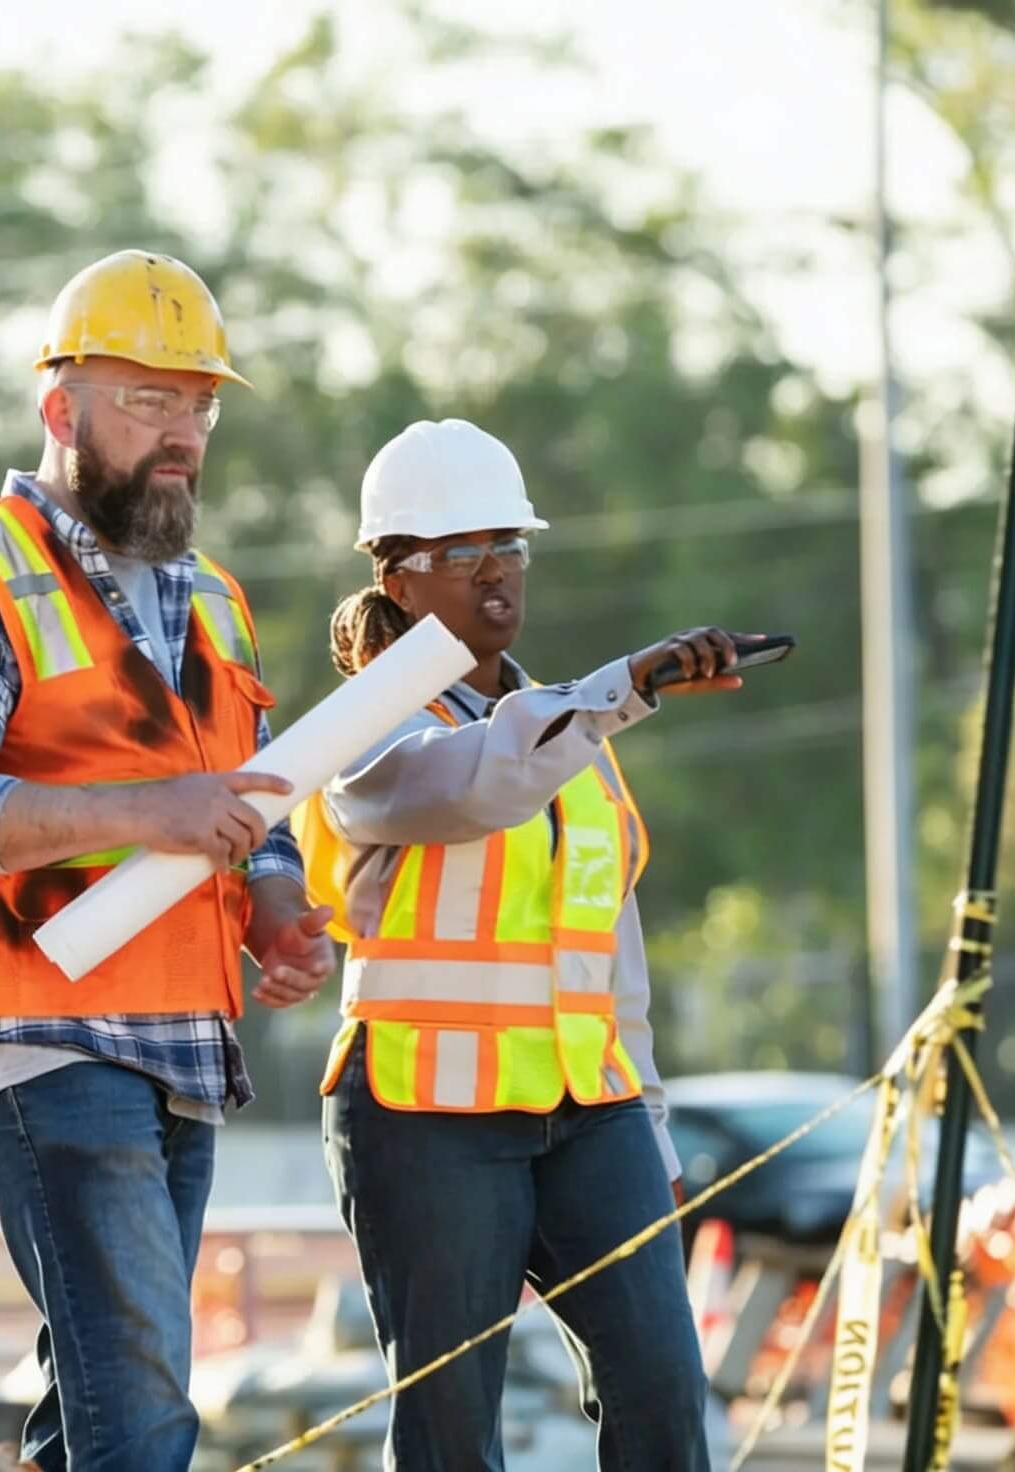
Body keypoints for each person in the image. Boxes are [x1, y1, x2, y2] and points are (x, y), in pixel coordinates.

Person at [0, 249, 337, 1471]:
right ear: (59, 408)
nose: (180, 434)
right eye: (145, 402)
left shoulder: (214, 601)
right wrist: (150, 811)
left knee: (100, 1410)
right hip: (39, 1035)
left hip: (181, 1040)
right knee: (143, 1416)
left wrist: (274, 904)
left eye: (197, 405)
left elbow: (252, 800)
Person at [295, 418, 746, 1468]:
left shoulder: (573, 737)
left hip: (590, 1116)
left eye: (508, 546)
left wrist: (653, 1126)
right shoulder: (367, 731)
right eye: (459, 555)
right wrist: (617, 688)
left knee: (666, 1395)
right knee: (454, 1433)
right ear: (397, 580)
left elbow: (607, 955)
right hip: (426, 1117)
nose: (494, 574)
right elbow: (476, 780)